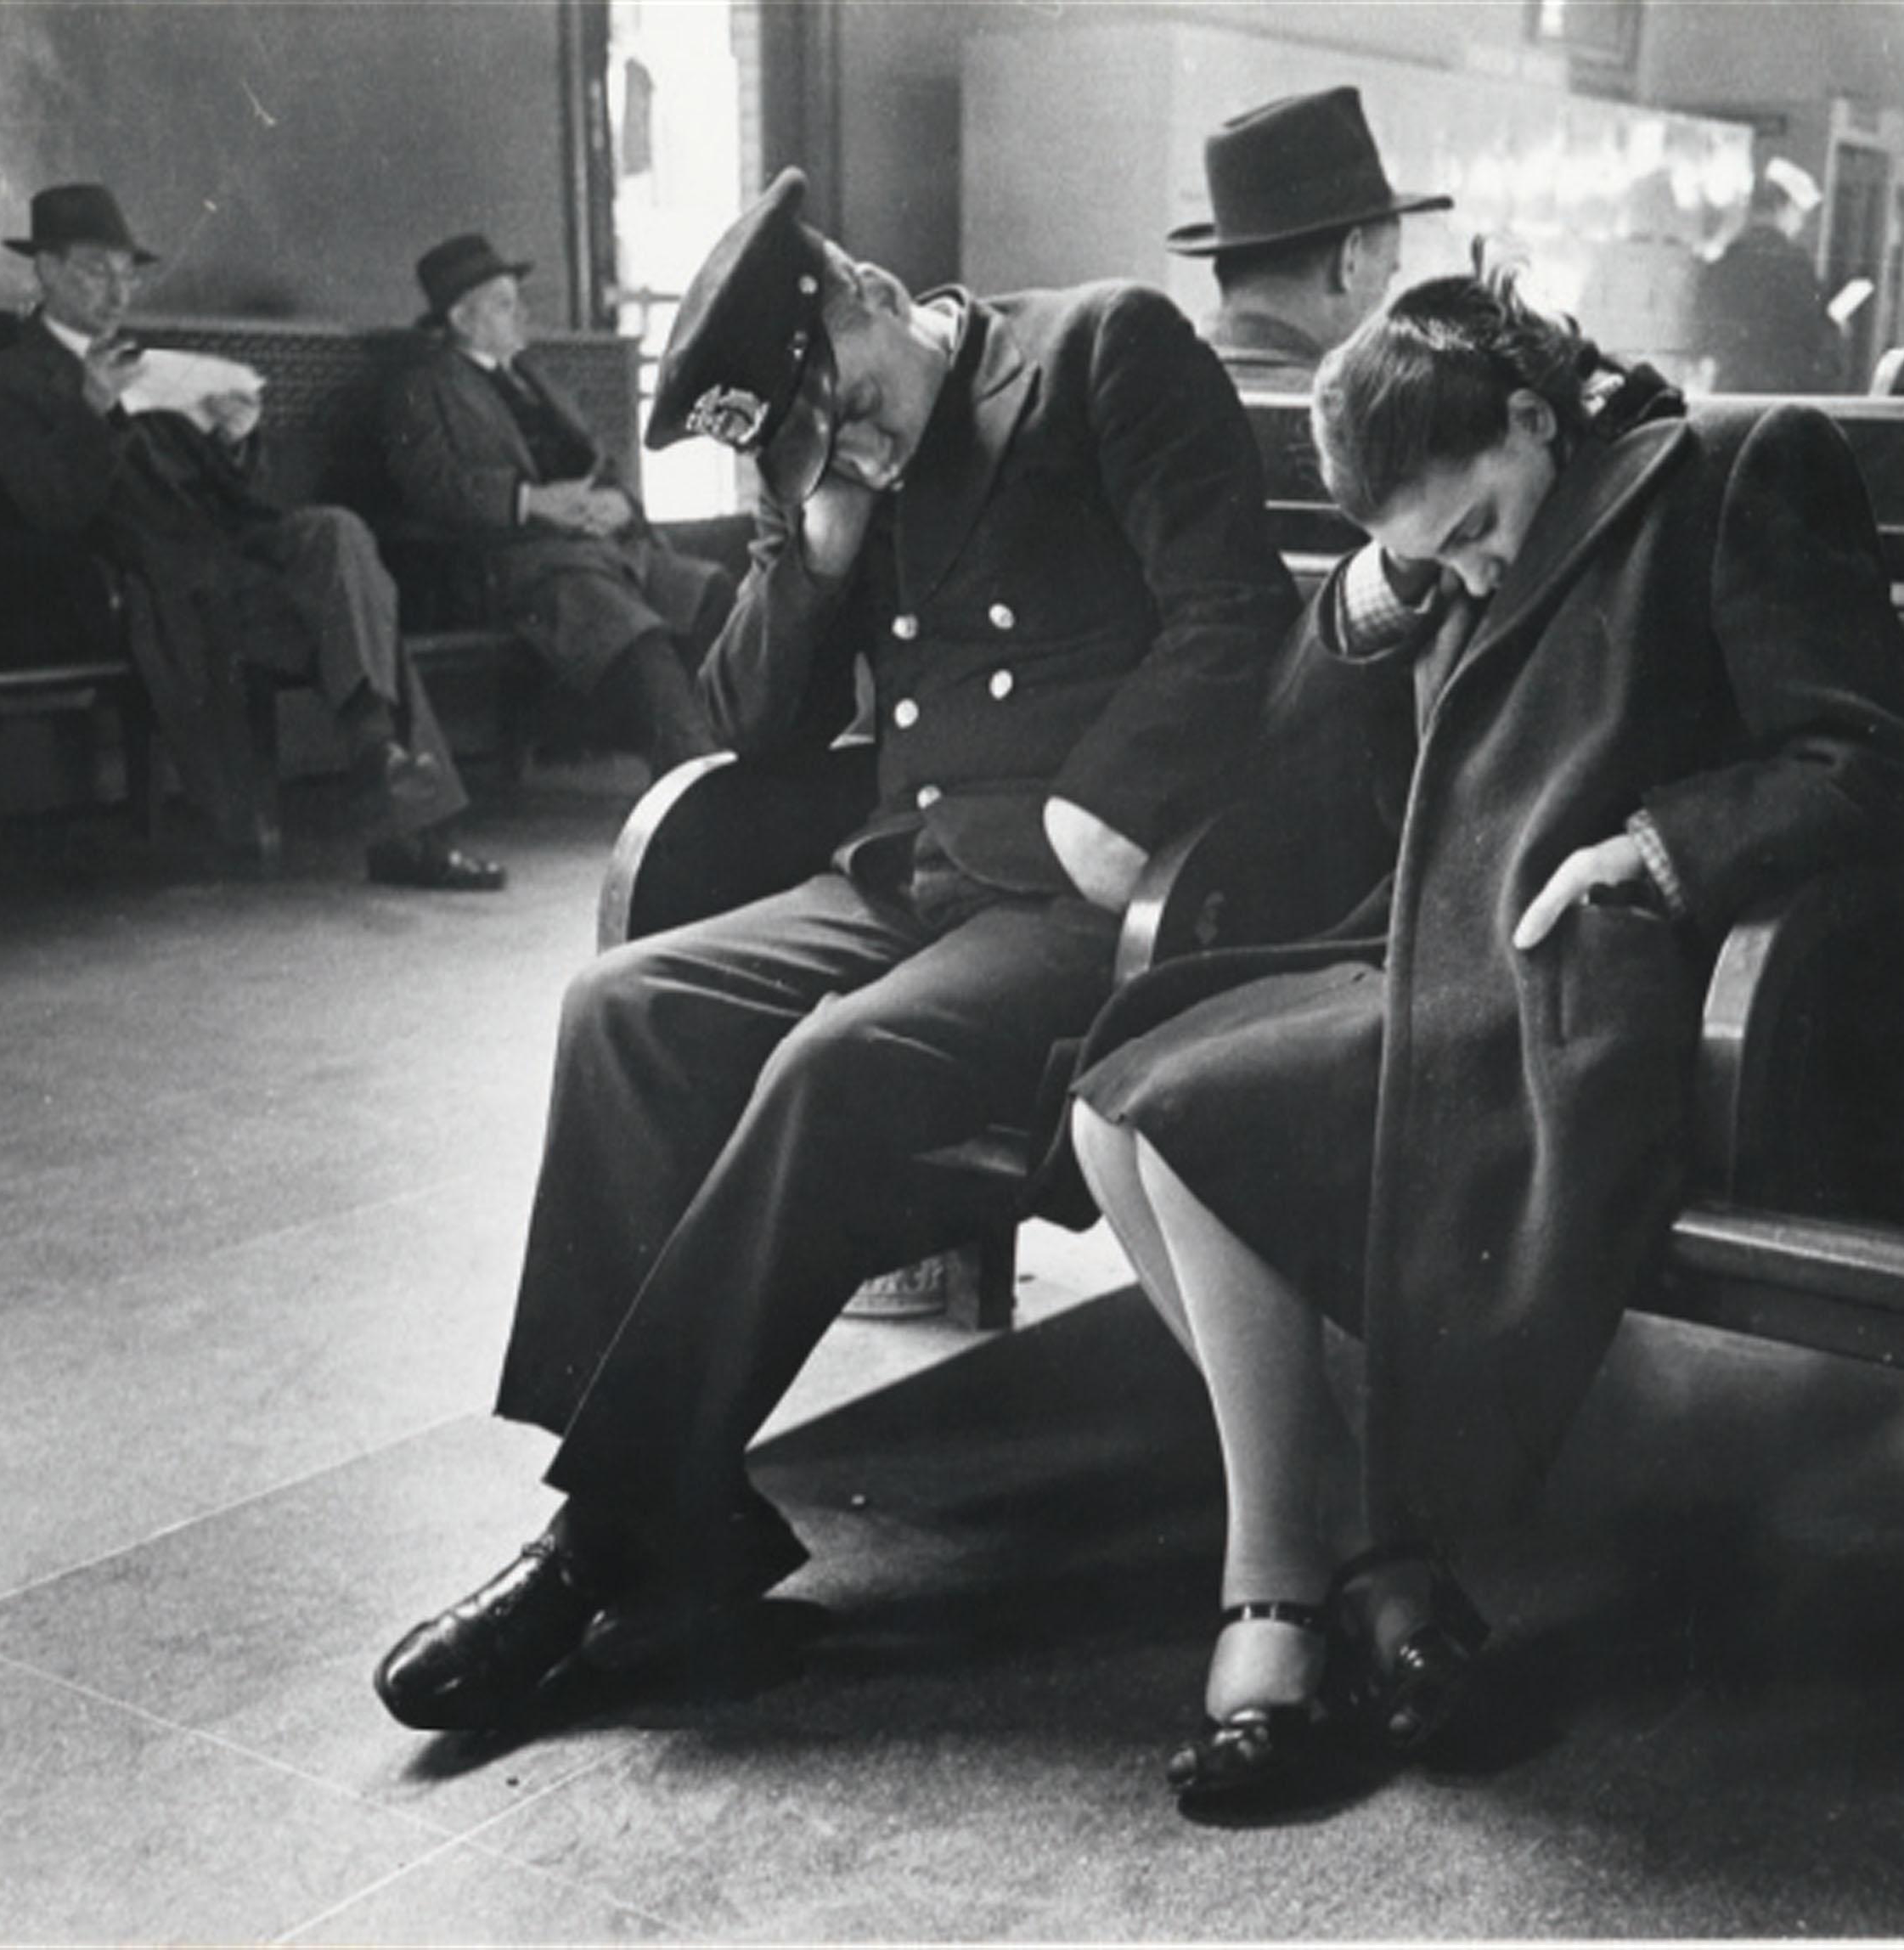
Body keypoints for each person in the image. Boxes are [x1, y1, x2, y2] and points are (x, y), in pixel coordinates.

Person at [371, 167, 1300, 1734]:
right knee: (625, 1004)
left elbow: (1233, 614)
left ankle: (604, 1535)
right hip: (912, 874)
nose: (859, 444)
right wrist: (808, 545)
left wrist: (1108, 800)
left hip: (1090, 897)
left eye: (851, 409)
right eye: (820, 441)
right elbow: (752, 724)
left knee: (836, 1061)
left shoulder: (1102, 352)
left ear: (867, 293)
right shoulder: (848, 466)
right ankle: (676, 1498)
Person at [1063, 261, 1904, 1816]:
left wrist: (1659, 854)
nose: (1471, 568)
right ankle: (1381, 1562)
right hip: (1434, 947)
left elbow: (1871, 763)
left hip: (1582, 977)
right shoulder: (1460, 545)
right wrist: (1390, 590)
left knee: (1183, 1112)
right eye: (1433, 558)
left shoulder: (1732, 467)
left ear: (1538, 412)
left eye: (1472, 527)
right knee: (1103, 1112)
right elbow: (1318, 717)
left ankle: (1272, 1591)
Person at [0, 183, 502, 890]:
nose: (117, 291)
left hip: (236, 562)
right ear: (45, 270)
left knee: (338, 534)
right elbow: (52, 510)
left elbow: (250, 500)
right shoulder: (6, 380)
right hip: (156, 583)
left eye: (128, 273)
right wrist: (89, 414)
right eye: (97, 270)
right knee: (363, 613)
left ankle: (381, 760)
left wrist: (237, 440)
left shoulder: (150, 365)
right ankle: (408, 827)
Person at [381, 233, 734, 775]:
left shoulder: (534, 379)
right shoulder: (423, 388)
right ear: (461, 318)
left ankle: (745, 759)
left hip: (601, 548)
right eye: (504, 304)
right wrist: (532, 502)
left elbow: (601, 461)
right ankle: (697, 781)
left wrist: (619, 504)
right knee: (633, 632)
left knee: (712, 594)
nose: (522, 313)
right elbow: (433, 490)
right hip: (515, 564)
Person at [1164, 86, 1451, 394]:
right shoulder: (1347, 426)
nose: (1383, 305)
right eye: (1387, 276)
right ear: (1349, 261)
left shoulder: (1148, 396)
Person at [1688, 157, 1842, 394]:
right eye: (1800, 214)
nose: (1800, 224)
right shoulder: (1796, 267)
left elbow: (1702, 335)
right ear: (1784, 207)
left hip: (1730, 394)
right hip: (1781, 395)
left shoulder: (1724, 263)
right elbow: (1815, 337)